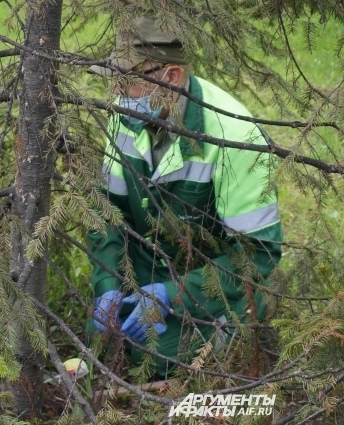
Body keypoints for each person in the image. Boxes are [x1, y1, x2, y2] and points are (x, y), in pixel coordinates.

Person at [87, 17, 283, 377]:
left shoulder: (236, 134)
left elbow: (257, 254)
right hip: (156, 263)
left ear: (170, 77)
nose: (115, 92)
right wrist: (108, 286)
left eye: (126, 80)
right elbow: (108, 215)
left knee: (160, 358)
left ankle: (228, 335)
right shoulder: (125, 113)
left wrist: (174, 296)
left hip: (215, 281)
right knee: (102, 336)